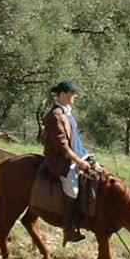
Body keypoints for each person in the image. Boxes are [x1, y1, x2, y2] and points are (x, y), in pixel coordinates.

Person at [42, 79, 93, 244]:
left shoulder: (67, 111)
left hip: (78, 155)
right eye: (72, 93)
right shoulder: (55, 116)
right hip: (62, 162)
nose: (75, 96)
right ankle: (69, 229)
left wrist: (85, 155)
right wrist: (79, 162)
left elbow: (75, 138)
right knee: (73, 191)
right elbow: (63, 147)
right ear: (63, 94)